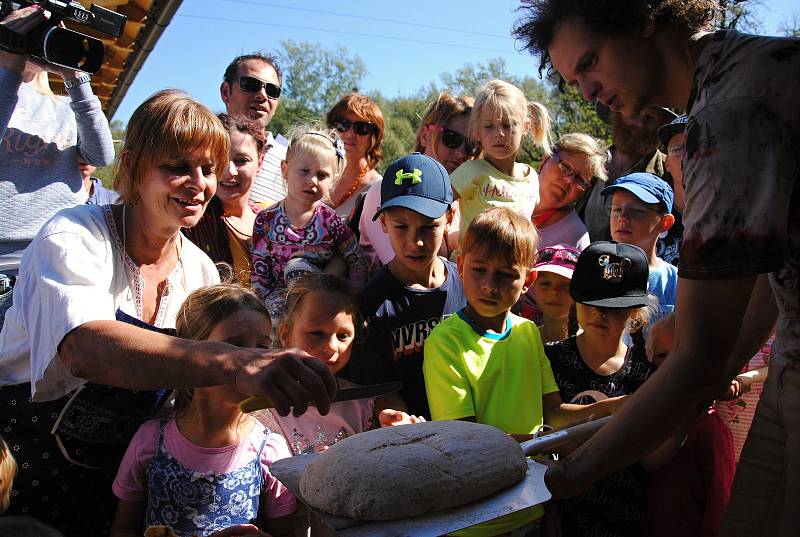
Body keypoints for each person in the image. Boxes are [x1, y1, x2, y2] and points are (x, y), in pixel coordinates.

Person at [513, 3, 797, 534]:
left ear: (642, 16)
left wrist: (575, 474)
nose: (588, 93)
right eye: (576, 81)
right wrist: (716, 367)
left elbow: (699, 350)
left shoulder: (729, 113)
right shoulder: (748, 70)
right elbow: (767, 276)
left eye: (591, 63)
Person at [0, 90, 335, 534]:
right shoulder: (73, 235)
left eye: (208, 169)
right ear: (135, 165)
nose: (198, 182)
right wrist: (235, 362)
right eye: (177, 166)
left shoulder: (197, 272)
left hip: (126, 475)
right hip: (26, 466)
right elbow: (84, 347)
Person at [423, 207, 623, 537]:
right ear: (460, 266)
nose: (489, 285)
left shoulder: (529, 332)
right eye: (479, 270)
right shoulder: (445, 343)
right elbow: (467, 443)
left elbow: (553, 412)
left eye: (505, 275)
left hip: (529, 507)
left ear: (527, 279)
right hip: (476, 519)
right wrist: (547, 442)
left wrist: (614, 407)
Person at [111, 285, 296, 537]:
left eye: (262, 348)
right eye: (235, 347)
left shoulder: (271, 452)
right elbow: (123, 528)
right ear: (194, 354)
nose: (252, 359)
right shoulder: (151, 440)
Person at [544, 241, 657, 537]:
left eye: (613, 308)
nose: (599, 315)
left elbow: (651, 458)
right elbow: (548, 419)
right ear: (575, 300)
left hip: (623, 516)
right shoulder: (550, 358)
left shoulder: (645, 372)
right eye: (592, 303)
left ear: (635, 312)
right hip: (555, 509)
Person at [347, 153, 466, 420]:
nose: (416, 242)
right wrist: (400, 421)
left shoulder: (470, 285)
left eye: (428, 226)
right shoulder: (369, 306)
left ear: (450, 216)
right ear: (383, 221)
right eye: (402, 226)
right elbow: (382, 390)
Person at [270, 273, 421, 455]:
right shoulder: (265, 407)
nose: (332, 347)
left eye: (343, 336)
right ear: (285, 334)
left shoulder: (365, 406)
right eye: (317, 333)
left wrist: (394, 431)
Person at [251, 124, 368, 325]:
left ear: (333, 180)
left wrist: (351, 300)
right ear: (285, 169)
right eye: (304, 171)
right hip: (279, 305)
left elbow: (357, 261)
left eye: (322, 175)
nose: (312, 181)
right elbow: (260, 274)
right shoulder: (266, 220)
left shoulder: (331, 222)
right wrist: (264, 306)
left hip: (322, 301)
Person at [358, 92, 476, 268]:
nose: (462, 152)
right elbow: (409, 272)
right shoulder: (387, 192)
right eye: (452, 138)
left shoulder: (468, 203)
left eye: (472, 144)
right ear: (425, 136)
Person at [645, 313, 735, 537]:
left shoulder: (709, 428)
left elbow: (721, 505)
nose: (671, 367)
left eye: (680, 357)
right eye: (663, 356)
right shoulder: (645, 421)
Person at [450, 79, 552, 243]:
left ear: (525, 127)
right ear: (477, 131)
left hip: (516, 266)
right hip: (473, 266)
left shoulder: (531, 178)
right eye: (489, 126)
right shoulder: (471, 171)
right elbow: (437, 205)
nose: (499, 134)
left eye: (508, 125)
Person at [183, 114, 266, 286]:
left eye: (241, 160)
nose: (230, 172)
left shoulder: (275, 216)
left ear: (260, 162)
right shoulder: (189, 223)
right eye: (219, 160)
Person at [577, 105, 674, 242]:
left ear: (661, 125)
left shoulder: (670, 173)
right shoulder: (587, 163)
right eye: (634, 113)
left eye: (650, 117)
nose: (641, 123)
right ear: (615, 113)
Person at [603, 172, 677, 317]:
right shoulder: (594, 270)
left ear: (665, 222)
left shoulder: (676, 283)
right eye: (617, 209)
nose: (622, 218)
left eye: (637, 211)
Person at [220, 52, 287, 207]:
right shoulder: (200, 148)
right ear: (225, 92)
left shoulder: (292, 162)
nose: (262, 95)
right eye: (250, 85)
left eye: (272, 91)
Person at [532, 133, 608, 250]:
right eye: (566, 167)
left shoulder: (576, 237)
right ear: (546, 158)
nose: (569, 180)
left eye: (581, 180)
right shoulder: (505, 190)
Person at [325, 94, 384, 219]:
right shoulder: (315, 172)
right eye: (342, 124)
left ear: (374, 138)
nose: (349, 134)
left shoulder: (377, 189)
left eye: (361, 128)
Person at [524, 244, 579, 342]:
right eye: (545, 283)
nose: (554, 291)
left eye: (566, 285)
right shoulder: (523, 340)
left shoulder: (591, 345)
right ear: (532, 283)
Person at [655, 114, 688, 266]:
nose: (688, 156)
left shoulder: (731, 219)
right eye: (678, 150)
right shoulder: (653, 218)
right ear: (667, 163)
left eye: (698, 146)